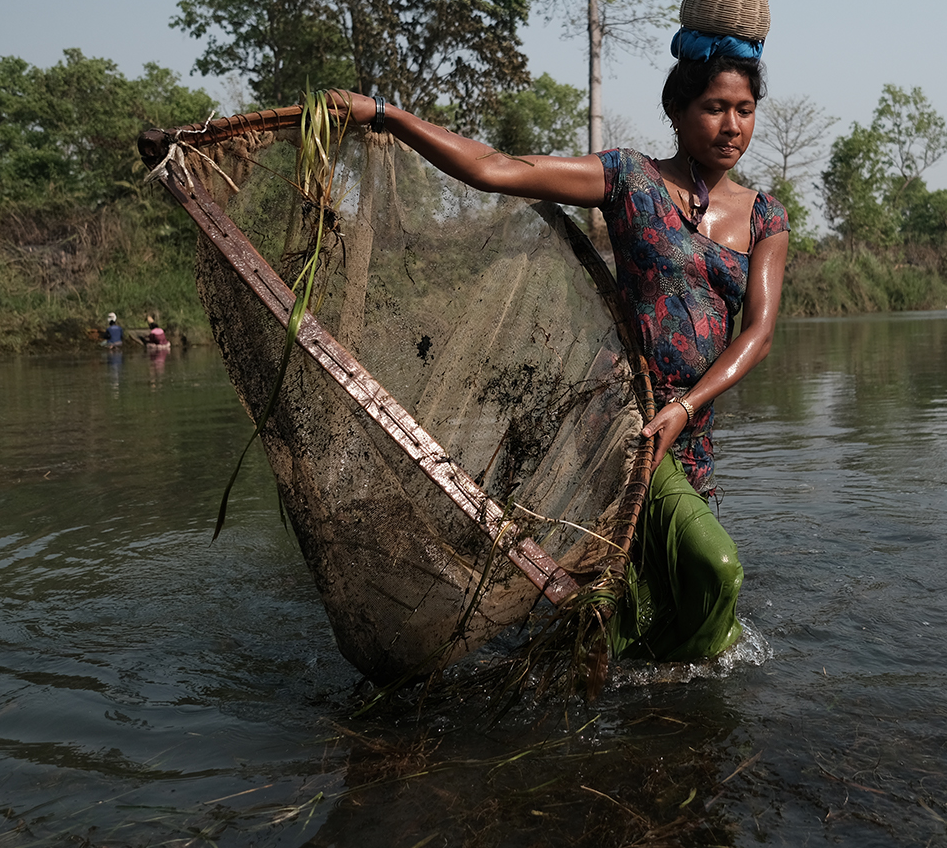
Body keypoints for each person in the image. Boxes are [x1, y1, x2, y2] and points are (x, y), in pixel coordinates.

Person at [332, 56, 788, 661]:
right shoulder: (632, 180)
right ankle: (691, 692)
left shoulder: (764, 215)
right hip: (622, 419)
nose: (731, 125)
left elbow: (756, 334)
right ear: (677, 112)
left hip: (689, 428)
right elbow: (495, 169)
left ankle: (622, 687)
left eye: (744, 110)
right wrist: (389, 116)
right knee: (715, 568)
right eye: (714, 108)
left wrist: (687, 406)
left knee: (642, 589)